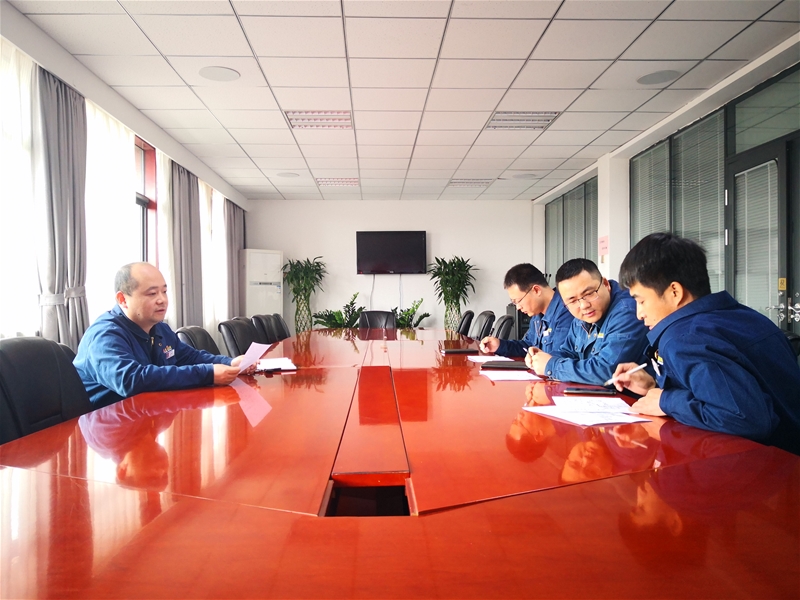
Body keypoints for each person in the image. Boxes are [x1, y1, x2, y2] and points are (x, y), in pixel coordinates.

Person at [611, 232, 800, 455]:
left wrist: (666, 400)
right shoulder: (744, 316)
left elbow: (746, 418)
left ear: (674, 292)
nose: (639, 314)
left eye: (641, 301)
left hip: (770, 463)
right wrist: (653, 388)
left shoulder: (685, 339)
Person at [74, 262, 255, 405]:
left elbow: (187, 357)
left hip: (148, 414)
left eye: (164, 291)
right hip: (108, 426)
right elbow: (131, 380)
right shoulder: (104, 335)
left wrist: (229, 362)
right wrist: (207, 374)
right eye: (152, 293)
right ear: (122, 299)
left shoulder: (159, 327)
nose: (162, 300)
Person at [525, 258, 649, 385]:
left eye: (589, 294)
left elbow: (606, 371)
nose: (584, 305)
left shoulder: (627, 311)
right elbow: (569, 352)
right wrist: (542, 358)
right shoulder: (582, 316)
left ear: (605, 284)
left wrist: (551, 365)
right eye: (573, 301)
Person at [479, 263, 572, 357]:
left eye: (518, 301)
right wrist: (499, 345)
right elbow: (527, 346)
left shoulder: (567, 311)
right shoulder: (537, 314)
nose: (518, 307)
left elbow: (558, 358)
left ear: (536, 290)